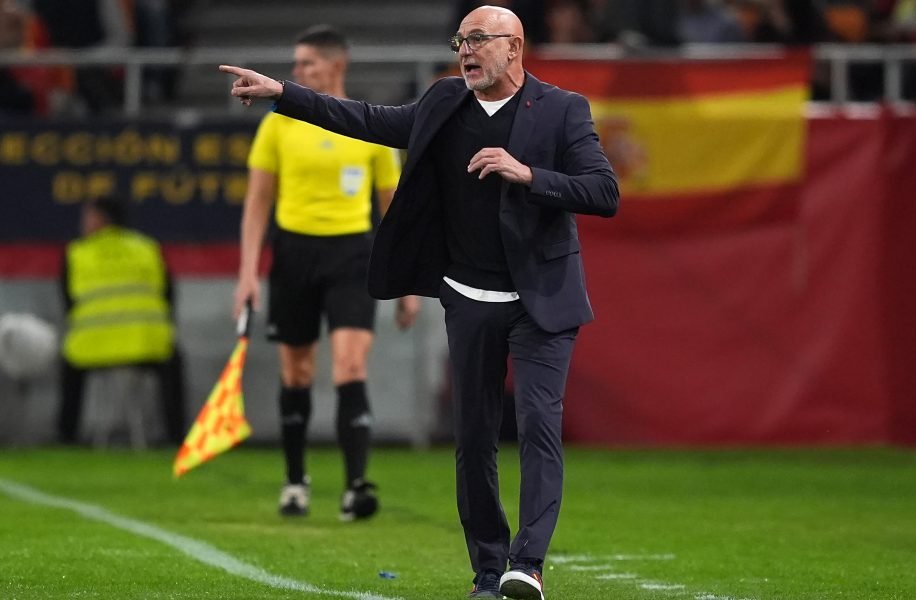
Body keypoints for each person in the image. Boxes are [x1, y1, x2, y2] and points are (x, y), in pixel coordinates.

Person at [221, 5, 619, 598]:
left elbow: (604, 191)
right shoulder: (444, 101)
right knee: (474, 439)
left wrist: (529, 174)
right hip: (470, 297)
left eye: (478, 39)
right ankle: (489, 570)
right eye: (461, 40)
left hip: (542, 300)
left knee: (539, 427)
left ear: (514, 47)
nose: (466, 50)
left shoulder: (563, 109)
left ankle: (527, 565)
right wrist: (285, 93)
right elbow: (366, 118)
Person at [232, 25, 420, 521]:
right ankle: (296, 482)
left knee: (350, 367)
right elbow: (257, 203)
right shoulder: (278, 125)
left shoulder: (369, 126)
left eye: (307, 63)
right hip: (293, 253)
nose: (297, 71)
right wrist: (247, 274)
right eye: (296, 64)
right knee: (296, 371)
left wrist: (407, 282)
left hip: (352, 255)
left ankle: (356, 487)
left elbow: (393, 211)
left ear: (336, 65)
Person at [59, 196, 186, 445]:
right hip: (146, 345)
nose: (83, 223)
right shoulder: (147, 248)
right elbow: (168, 296)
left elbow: (68, 303)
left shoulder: (76, 253)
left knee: (69, 365)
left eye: (87, 216)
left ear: (101, 219)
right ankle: (175, 435)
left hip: (92, 346)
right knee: (173, 362)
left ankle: (67, 435)